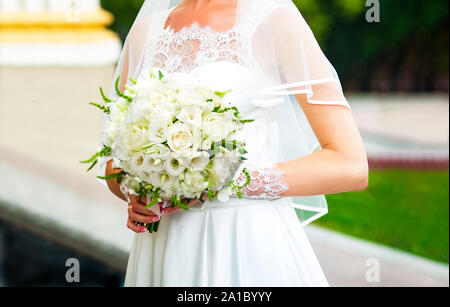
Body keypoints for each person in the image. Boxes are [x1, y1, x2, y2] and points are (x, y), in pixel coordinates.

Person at [98, 0, 368, 287]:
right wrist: (135, 190)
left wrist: (223, 181)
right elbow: (114, 159)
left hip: (243, 238)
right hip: (163, 244)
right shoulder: (145, 33)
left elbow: (350, 164)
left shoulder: (273, 22)